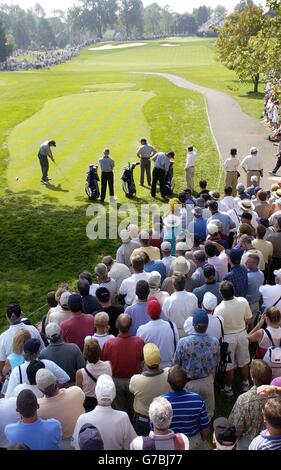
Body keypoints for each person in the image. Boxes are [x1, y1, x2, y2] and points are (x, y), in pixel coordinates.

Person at [173, 309, 220, 419]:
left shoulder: (183, 342)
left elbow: (176, 362)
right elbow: (216, 362)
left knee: (190, 413)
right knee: (208, 414)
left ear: (193, 325)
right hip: (207, 381)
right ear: (207, 325)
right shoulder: (215, 342)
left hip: (190, 384)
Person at [73, 374, 137, 450]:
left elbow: (77, 445)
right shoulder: (123, 417)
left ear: (95, 394)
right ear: (113, 396)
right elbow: (131, 445)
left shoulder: (82, 418)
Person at [102, 314, 144, 419]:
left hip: (117, 381)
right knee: (133, 410)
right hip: (133, 381)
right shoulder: (139, 342)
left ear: (116, 325)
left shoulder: (109, 344)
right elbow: (142, 361)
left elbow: (103, 362)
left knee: (118, 412)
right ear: (130, 327)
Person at [214, 281, 252, 397]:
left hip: (227, 338)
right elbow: (249, 319)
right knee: (243, 360)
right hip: (242, 335)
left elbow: (218, 328)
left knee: (228, 365)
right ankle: (246, 383)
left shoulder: (218, 309)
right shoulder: (243, 301)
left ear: (221, 294)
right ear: (233, 291)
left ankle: (228, 388)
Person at [163, 365, 209, 450]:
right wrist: (201, 440)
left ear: (168, 381)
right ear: (186, 381)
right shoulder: (197, 399)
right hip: (193, 442)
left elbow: (155, 427)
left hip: (170, 442)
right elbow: (205, 426)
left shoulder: (161, 403)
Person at [228, 360, 272, 450]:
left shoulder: (244, 399)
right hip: (270, 441)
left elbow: (235, 427)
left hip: (247, 442)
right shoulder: (276, 396)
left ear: (252, 378)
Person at [5, 338, 70, 399]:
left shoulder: (17, 371)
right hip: (48, 403)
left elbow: (8, 396)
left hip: (28, 408)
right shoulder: (48, 364)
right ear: (37, 353)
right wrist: (52, 390)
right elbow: (65, 378)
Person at [36, 369, 85, 449]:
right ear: (56, 382)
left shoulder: (38, 408)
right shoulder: (76, 391)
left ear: (41, 390)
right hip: (80, 440)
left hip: (58, 445)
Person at [129, 343, 170, 436]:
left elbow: (131, 389)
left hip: (143, 419)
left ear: (145, 361)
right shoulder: (168, 373)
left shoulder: (136, 380)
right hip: (163, 418)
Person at [0, 303, 45, 374]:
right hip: (36, 371)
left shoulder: (2, 337)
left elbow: (2, 363)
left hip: (15, 375)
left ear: (7, 316)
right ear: (21, 314)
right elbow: (42, 350)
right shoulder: (33, 329)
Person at [136, 299, 179, 369]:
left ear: (148, 313)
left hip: (149, 368)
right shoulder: (172, 325)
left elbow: (139, 350)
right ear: (160, 312)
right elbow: (177, 343)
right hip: (169, 366)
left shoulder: (142, 330)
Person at [76, 338, 112, 412]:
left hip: (89, 403)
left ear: (85, 354)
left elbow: (78, 392)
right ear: (99, 351)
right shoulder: (109, 364)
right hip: (106, 399)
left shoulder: (80, 373)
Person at [248, 307, 281, 378]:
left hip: (262, 364)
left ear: (267, 319)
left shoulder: (261, 333)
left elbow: (247, 338)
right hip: (278, 364)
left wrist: (259, 324)